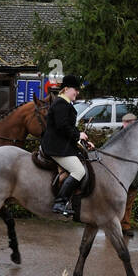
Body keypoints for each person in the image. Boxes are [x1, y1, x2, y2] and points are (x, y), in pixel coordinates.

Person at [44, 75, 94, 216]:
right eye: (75, 90)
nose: (77, 93)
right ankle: (60, 203)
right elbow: (62, 127)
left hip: (62, 144)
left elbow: (69, 128)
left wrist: (82, 140)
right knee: (79, 171)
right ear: (66, 89)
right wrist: (78, 136)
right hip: (56, 147)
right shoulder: (61, 104)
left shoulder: (65, 104)